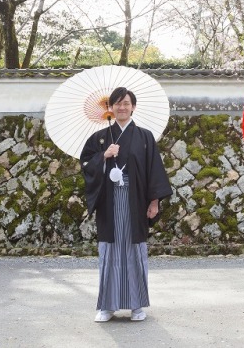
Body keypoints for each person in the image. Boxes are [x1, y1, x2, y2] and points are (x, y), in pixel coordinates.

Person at [80, 86, 172, 322]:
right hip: (109, 202)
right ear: (110, 108)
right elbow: (86, 165)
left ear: (133, 106)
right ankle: (107, 306)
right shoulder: (100, 138)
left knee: (134, 250)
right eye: (117, 103)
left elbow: (154, 170)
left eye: (126, 103)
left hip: (135, 200)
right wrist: (103, 156)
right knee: (109, 251)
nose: (122, 107)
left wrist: (154, 201)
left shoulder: (144, 137)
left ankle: (136, 305)